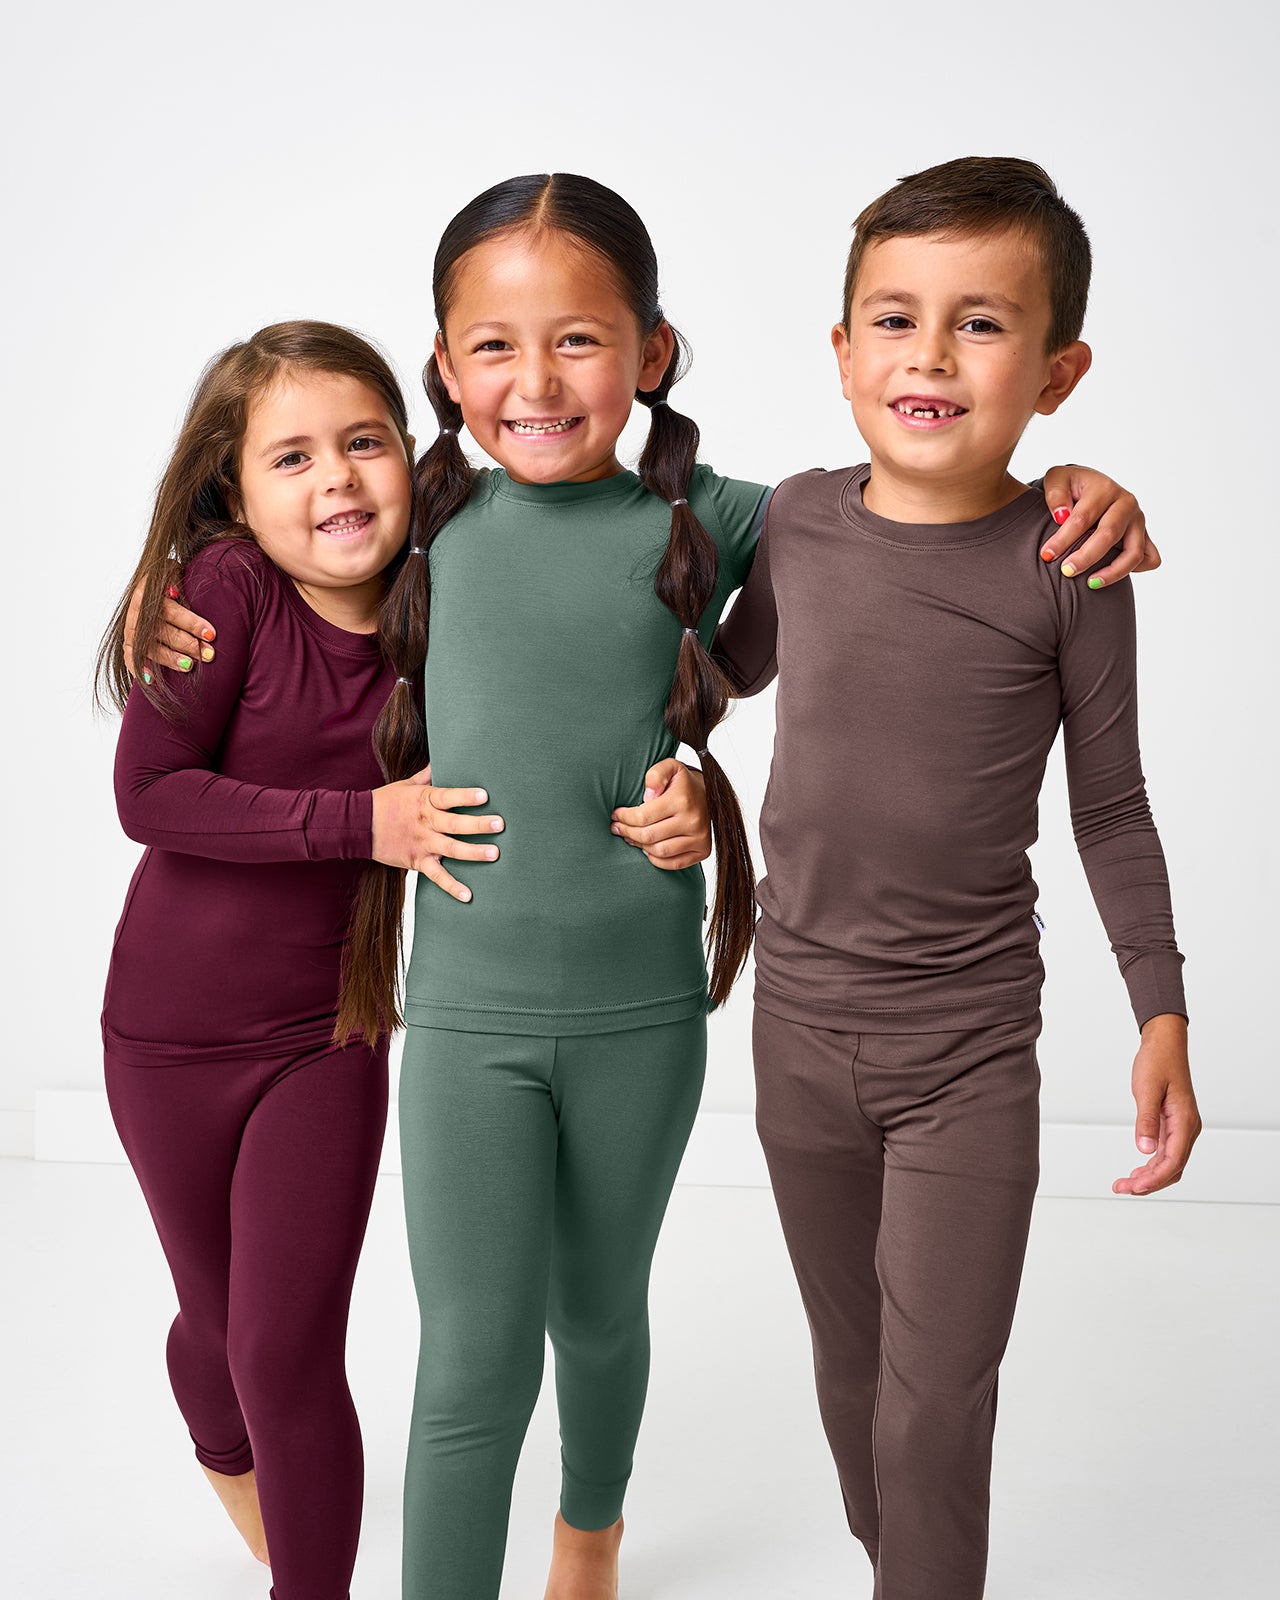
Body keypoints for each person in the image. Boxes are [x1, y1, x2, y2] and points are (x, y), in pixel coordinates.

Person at [148, 174, 1163, 1600]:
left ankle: (592, 1532)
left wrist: (1081, 487)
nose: (537, 380)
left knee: (596, 1314)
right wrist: (166, 575)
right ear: (446, 368)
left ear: (653, 354)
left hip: (643, 1014)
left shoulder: (745, 519)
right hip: (461, 1022)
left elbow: (914, 507)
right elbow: (278, 524)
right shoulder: (418, 538)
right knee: (467, 1366)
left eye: (579, 340)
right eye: (493, 347)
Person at [99, 319, 711, 1600]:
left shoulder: (452, 592)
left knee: (284, 1345)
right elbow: (151, 793)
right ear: (233, 493)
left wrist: (683, 785)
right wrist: (356, 823)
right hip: (166, 1032)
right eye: (291, 458)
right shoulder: (222, 596)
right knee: (216, 1339)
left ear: (412, 454)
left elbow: (598, 680)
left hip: (333, 1030)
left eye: (363, 442)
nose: (336, 480)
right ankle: (215, 1434)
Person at [712, 156, 1202, 1600]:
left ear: (1058, 372)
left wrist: (1161, 1013)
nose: (930, 353)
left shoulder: (1072, 558)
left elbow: (1110, 808)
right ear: (844, 350)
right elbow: (699, 686)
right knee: (854, 1386)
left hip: (969, 1053)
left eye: (981, 324)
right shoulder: (796, 521)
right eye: (895, 317)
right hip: (793, 1035)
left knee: (934, 1413)